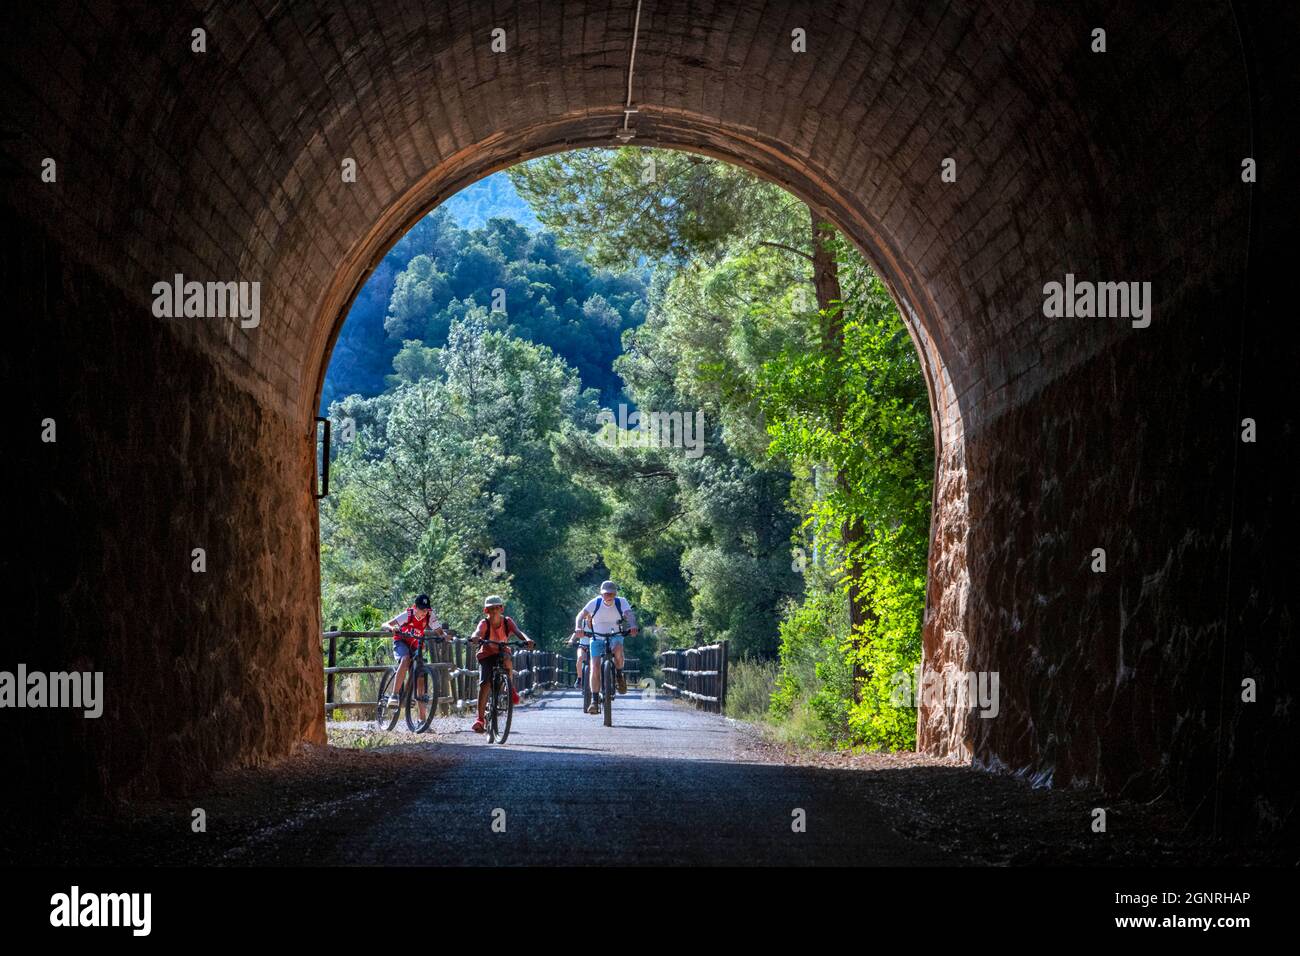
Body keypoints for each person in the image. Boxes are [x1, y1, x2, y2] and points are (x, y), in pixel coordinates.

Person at [468, 595, 534, 733]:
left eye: (497, 607)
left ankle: (510, 687)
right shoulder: (484, 623)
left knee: (507, 659)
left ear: (502, 608)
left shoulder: (507, 621)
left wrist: (527, 640)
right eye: (491, 609)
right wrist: (475, 637)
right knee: (484, 683)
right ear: (486, 610)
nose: (495, 611)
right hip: (486, 654)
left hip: (502, 651)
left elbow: (518, 632)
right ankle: (480, 719)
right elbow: (478, 631)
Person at [380, 594, 447, 719]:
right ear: (415, 607)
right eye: (422, 609)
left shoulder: (429, 615)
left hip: (416, 645)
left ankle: (422, 720)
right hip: (401, 642)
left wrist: (445, 636)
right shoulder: (408, 614)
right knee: (405, 659)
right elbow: (385, 624)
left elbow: (439, 630)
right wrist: (391, 628)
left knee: (420, 678)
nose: (424, 612)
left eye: (426, 609)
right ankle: (394, 695)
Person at [576, 580, 638, 714]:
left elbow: (629, 615)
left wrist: (633, 625)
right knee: (595, 666)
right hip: (597, 637)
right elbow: (580, 615)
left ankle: (619, 675)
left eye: (611, 593)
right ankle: (594, 700)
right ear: (601, 594)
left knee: (618, 649)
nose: (608, 596)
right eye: (606, 594)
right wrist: (578, 627)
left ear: (615, 594)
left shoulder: (621, 602)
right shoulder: (595, 603)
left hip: (615, 634)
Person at [566, 608, 591, 688]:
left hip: (593, 647)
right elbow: (576, 633)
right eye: (588, 615)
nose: (590, 616)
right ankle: (579, 678)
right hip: (582, 645)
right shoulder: (583, 623)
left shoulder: (597, 625)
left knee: (595, 663)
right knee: (580, 658)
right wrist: (571, 640)